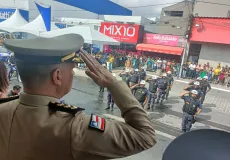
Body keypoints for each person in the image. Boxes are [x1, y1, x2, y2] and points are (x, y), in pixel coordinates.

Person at [0, 34, 156, 160]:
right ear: (58, 76)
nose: (73, 74)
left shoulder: (3, 109)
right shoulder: (75, 126)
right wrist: (114, 84)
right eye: (72, 70)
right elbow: (145, 136)